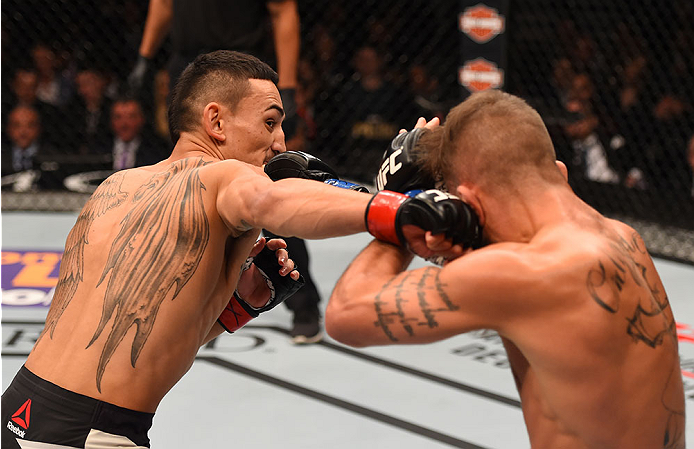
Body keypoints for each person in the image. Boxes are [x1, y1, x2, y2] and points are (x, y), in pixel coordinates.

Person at [1, 50, 468, 448]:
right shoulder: (225, 176)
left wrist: (235, 307)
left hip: (18, 408)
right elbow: (274, 200)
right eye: (269, 122)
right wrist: (397, 207)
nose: (280, 142)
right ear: (216, 120)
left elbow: (125, 336)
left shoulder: (116, 186)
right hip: (88, 433)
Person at [325, 90, 686, 448]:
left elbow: (345, 314)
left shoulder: (524, 271)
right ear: (558, 171)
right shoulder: (625, 237)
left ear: (468, 201)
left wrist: (401, 211)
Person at [129, 0, 325, 343]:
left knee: (268, 183)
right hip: (190, 71)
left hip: (242, 74)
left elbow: (284, 12)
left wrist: (289, 85)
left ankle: (304, 304)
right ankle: (192, 304)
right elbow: (162, 4)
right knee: (189, 186)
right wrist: (145, 56)